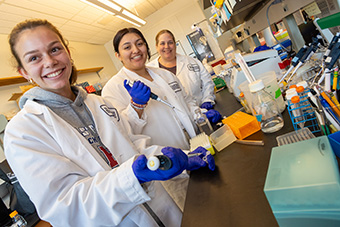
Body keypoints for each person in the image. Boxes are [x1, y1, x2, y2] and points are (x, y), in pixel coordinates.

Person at [4, 19, 215, 227]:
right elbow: (65, 208)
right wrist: (130, 177)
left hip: (165, 212)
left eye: (55, 49)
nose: (49, 62)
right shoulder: (23, 132)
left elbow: (135, 145)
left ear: (67, 52)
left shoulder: (98, 103)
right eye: (34, 58)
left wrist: (183, 158)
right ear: (23, 72)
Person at [101, 27, 219, 211]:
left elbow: (186, 101)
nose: (135, 50)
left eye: (139, 44)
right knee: (196, 212)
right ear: (118, 55)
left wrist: (201, 115)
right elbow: (122, 134)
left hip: (196, 149)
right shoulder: (113, 88)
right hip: (168, 166)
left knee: (217, 201)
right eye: (127, 47)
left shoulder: (164, 74)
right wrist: (136, 106)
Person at [148, 29, 216, 110]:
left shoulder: (192, 62)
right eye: (162, 43)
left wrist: (207, 100)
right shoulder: (150, 70)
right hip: (175, 119)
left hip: (204, 112)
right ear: (156, 47)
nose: (166, 46)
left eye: (170, 42)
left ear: (175, 44)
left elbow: (207, 82)